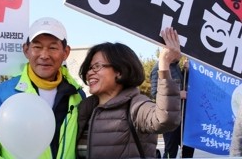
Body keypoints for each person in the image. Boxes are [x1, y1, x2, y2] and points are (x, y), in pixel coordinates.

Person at [0, 17, 86, 159]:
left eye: (53, 48)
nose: (44, 55)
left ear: (66, 53)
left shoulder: (77, 95)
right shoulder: (2, 94)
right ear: (26, 50)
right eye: (37, 47)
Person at [76, 27, 182, 159]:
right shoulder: (83, 109)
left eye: (97, 66)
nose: (90, 72)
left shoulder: (135, 106)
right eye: (89, 68)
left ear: (119, 71)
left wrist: (165, 63)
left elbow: (165, 119)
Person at [150, 57, 195, 158]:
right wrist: (178, 94)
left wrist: (186, 72)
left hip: (183, 117)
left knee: (188, 148)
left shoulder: (176, 67)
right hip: (169, 118)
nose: (180, 53)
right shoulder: (159, 67)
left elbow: (182, 84)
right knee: (171, 151)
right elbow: (154, 93)